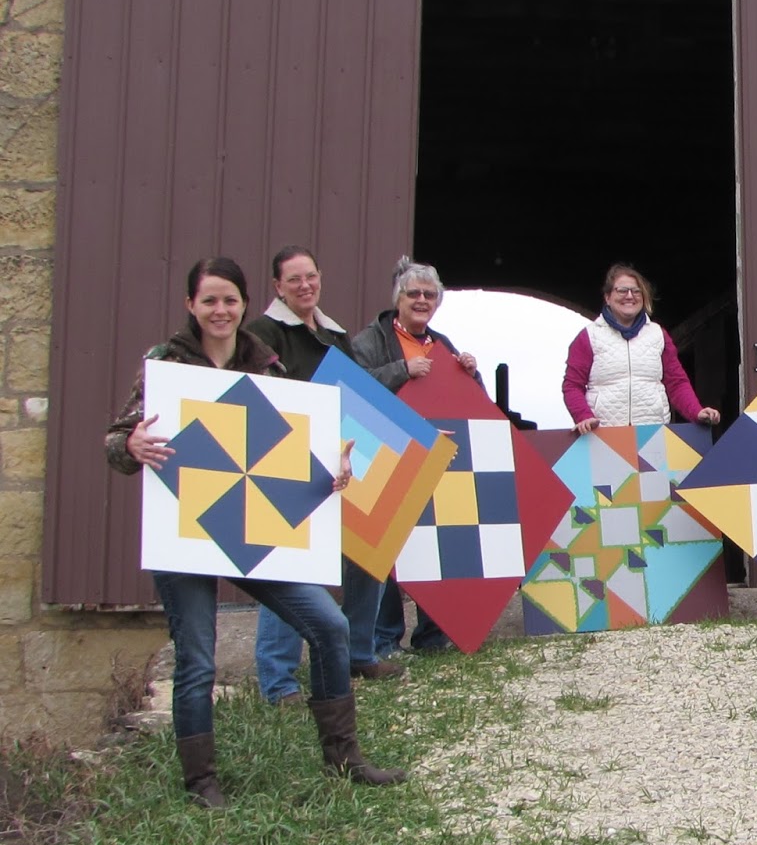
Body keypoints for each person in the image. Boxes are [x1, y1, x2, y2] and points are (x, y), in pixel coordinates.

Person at [106, 257, 404, 808]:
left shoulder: (265, 364)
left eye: (230, 300)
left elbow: (293, 447)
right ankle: (202, 784)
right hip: (189, 530)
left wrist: (331, 471)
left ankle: (345, 759)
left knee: (329, 626)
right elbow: (118, 439)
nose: (220, 310)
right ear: (191, 305)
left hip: (260, 526)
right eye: (210, 300)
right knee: (197, 659)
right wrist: (130, 446)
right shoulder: (165, 363)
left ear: (244, 305)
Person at [250, 246, 404, 705]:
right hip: (286, 465)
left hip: (341, 464)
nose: (304, 285)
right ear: (278, 286)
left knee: (367, 554)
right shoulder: (260, 333)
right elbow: (257, 399)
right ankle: (279, 683)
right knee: (287, 568)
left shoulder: (335, 335)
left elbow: (361, 396)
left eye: (310, 276)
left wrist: (414, 436)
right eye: (293, 279)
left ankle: (359, 653)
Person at [350, 257, 480, 655]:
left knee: (430, 545)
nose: (421, 300)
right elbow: (354, 387)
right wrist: (402, 369)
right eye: (414, 294)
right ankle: (385, 638)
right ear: (398, 299)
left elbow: (470, 402)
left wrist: (470, 373)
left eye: (429, 295)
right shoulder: (369, 341)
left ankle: (431, 636)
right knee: (384, 552)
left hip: (434, 457)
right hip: (385, 456)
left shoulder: (442, 344)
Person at [562, 264, 722, 433]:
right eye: (622, 290)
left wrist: (696, 412)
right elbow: (572, 385)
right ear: (607, 297)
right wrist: (584, 417)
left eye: (636, 291)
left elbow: (677, 383)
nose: (630, 296)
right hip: (603, 436)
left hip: (653, 434)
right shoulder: (588, 336)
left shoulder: (658, 335)